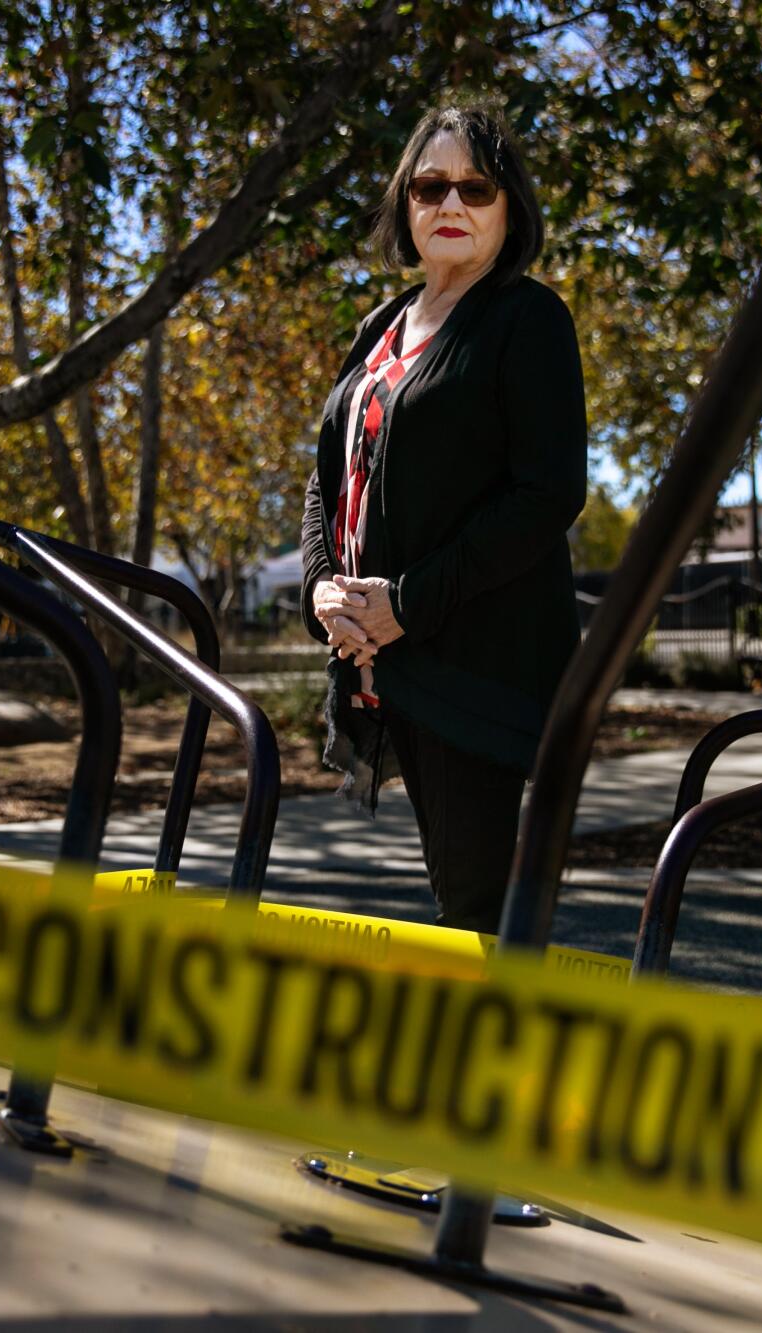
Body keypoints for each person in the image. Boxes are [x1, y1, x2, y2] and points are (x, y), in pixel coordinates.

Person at [299, 104, 586, 934]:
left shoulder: (527, 320)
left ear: (509, 207)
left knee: (477, 913)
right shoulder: (379, 326)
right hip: (380, 655)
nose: (450, 204)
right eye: (430, 187)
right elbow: (327, 478)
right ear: (406, 205)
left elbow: (548, 494)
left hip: (474, 661)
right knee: (449, 901)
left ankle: (497, 1062)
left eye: (475, 186)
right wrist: (324, 589)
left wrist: (407, 601)